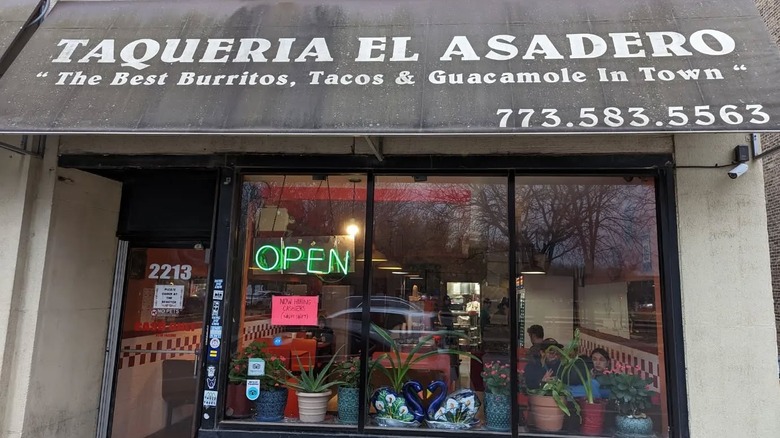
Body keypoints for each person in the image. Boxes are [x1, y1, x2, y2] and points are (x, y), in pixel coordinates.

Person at [523, 338, 599, 399]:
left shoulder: (561, 365)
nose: (555, 356)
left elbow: (571, 380)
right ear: (542, 352)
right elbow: (529, 387)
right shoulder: (533, 366)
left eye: (557, 353)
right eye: (552, 353)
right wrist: (542, 382)